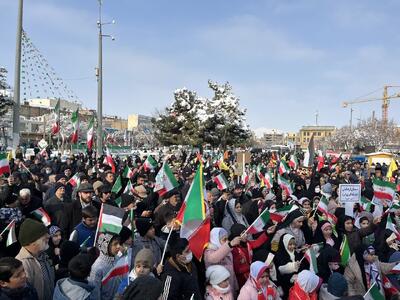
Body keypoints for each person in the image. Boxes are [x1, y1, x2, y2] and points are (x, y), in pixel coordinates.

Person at [15, 218, 55, 300]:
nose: (48, 238)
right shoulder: (22, 264)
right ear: (33, 243)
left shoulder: (44, 255)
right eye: (44, 238)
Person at [204, 227, 241, 295]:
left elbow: (232, 270)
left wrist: (235, 286)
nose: (227, 242)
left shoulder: (227, 250)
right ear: (215, 239)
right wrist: (230, 244)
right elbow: (214, 258)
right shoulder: (209, 252)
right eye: (224, 239)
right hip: (218, 291)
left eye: (227, 239)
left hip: (230, 286)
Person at [88, 233, 121, 300]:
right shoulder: (97, 268)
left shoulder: (118, 259)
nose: (118, 246)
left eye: (119, 243)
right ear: (106, 245)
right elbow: (95, 294)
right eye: (115, 244)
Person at [274, 233, 301, 298]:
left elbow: (300, 266)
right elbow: (280, 270)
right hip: (286, 284)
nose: (292, 246)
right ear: (284, 244)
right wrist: (293, 267)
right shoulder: (279, 254)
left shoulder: (295, 252)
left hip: (297, 282)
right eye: (290, 244)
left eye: (294, 244)